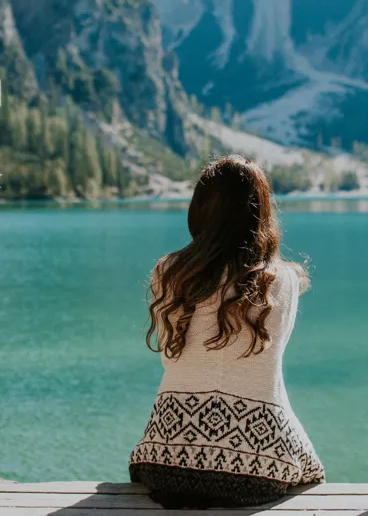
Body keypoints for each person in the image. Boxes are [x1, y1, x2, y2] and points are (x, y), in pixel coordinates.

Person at [129, 155, 325, 509]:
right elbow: (268, 363)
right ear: (260, 213)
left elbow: (172, 360)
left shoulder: (168, 272)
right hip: (260, 471)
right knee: (311, 468)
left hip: (168, 462)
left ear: (200, 210)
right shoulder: (283, 281)